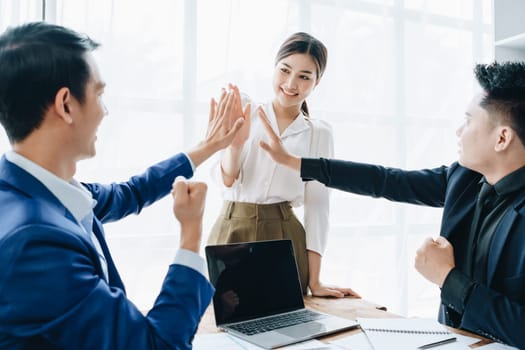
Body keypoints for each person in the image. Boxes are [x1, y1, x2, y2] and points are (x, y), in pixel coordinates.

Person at [0, 22, 247, 349]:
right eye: (99, 94)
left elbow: (129, 193)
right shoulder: (35, 242)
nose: (105, 110)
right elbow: (155, 346)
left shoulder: (32, 190)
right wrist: (190, 235)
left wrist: (207, 147)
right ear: (66, 105)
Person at [257, 61, 525, 348]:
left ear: (502, 138)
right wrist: (295, 163)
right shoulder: (465, 178)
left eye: (469, 120)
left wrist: (448, 279)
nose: (459, 131)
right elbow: (387, 180)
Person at [207, 32, 358, 298]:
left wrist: (316, 280)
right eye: (285, 70)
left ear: (317, 82)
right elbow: (225, 181)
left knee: (286, 328)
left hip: (285, 235)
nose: (291, 83)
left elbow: (318, 206)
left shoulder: (318, 133)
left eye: (304, 76)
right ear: (274, 68)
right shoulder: (246, 111)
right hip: (232, 230)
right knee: (225, 322)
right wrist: (234, 146)